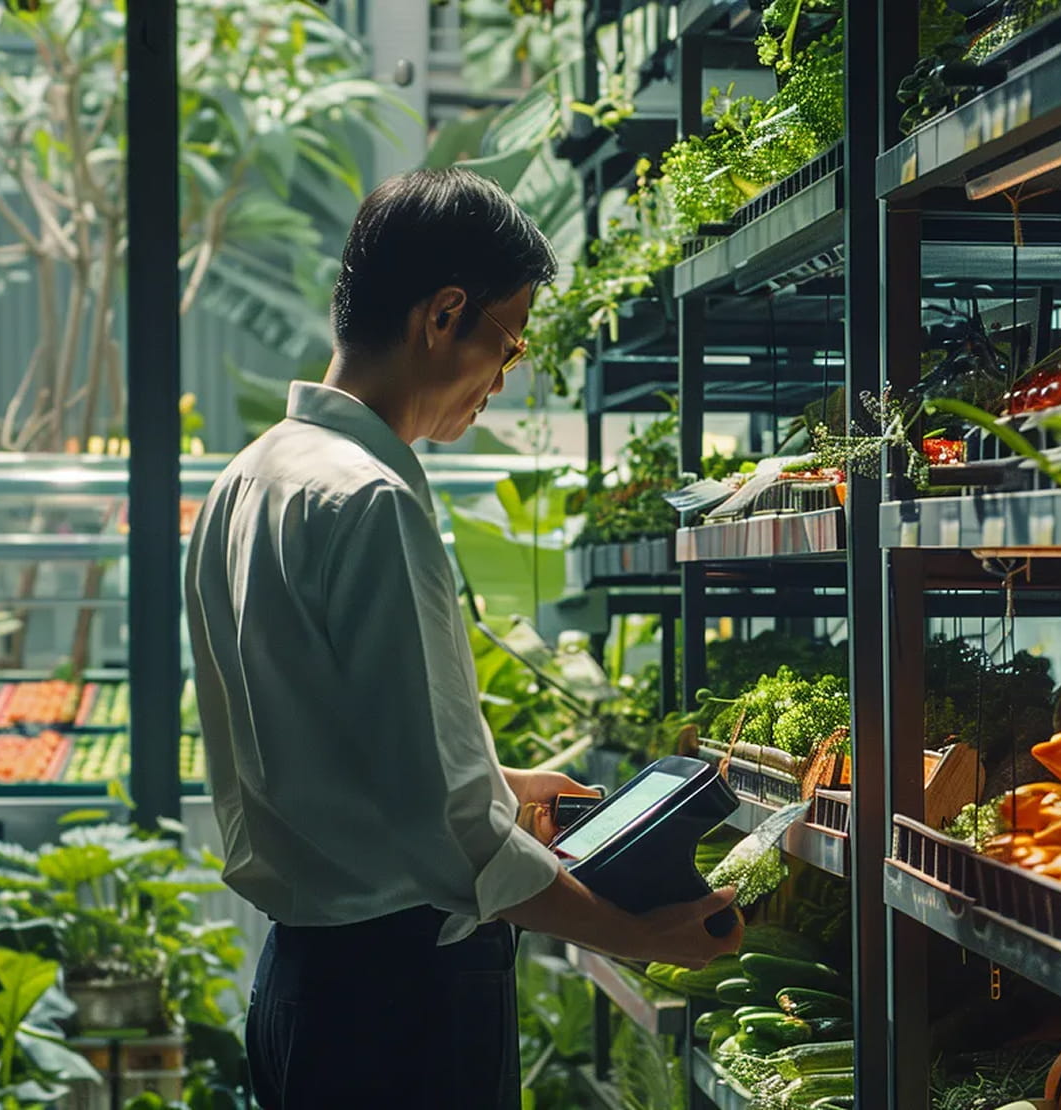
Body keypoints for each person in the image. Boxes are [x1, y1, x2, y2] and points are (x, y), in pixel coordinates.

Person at [184, 167, 743, 1110]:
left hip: (301, 990)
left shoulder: (248, 481)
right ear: (444, 315)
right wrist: (644, 936)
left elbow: (327, 751)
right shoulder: (370, 499)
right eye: (511, 342)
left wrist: (500, 786)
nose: (501, 377)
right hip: (401, 1008)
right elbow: (447, 836)